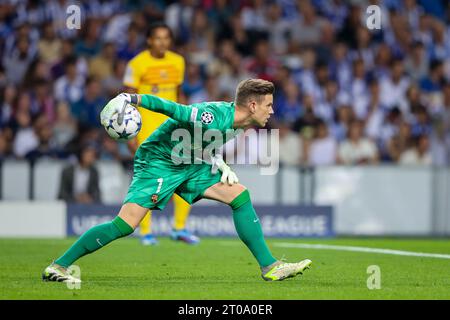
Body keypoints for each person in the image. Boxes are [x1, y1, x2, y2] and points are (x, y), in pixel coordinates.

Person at [42, 79, 312, 283]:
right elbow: (170, 108)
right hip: (159, 161)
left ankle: (270, 266)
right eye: (268, 105)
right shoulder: (213, 116)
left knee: (239, 196)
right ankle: (59, 266)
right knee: (125, 225)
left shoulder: (239, 122)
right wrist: (131, 99)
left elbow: (203, 141)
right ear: (252, 105)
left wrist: (219, 162)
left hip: (190, 163)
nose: (272, 110)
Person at [123, 22, 197, 245]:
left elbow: (179, 94)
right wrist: (130, 135)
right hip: (146, 128)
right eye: (158, 38)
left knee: (184, 174)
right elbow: (128, 100)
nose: (162, 42)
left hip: (173, 128)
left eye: (166, 38)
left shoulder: (178, 61)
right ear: (149, 40)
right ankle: (145, 232)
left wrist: (188, 122)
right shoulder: (136, 64)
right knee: (151, 180)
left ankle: (179, 228)